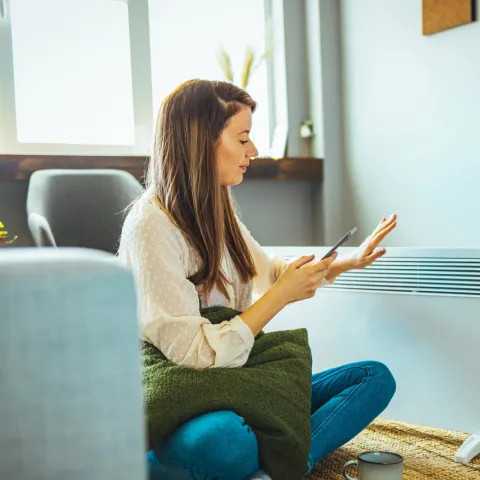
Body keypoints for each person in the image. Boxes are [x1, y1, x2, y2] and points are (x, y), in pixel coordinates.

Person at [118, 79, 397, 480]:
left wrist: (347, 262)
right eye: (243, 138)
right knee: (227, 442)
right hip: (176, 381)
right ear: (202, 141)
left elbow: (268, 272)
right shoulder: (150, 222)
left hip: (234, 375)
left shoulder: (218, 206)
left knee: (373, 378)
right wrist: (279, 298)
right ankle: (265, 459)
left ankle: (277, 466)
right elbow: (190, 354)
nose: (254, 151)